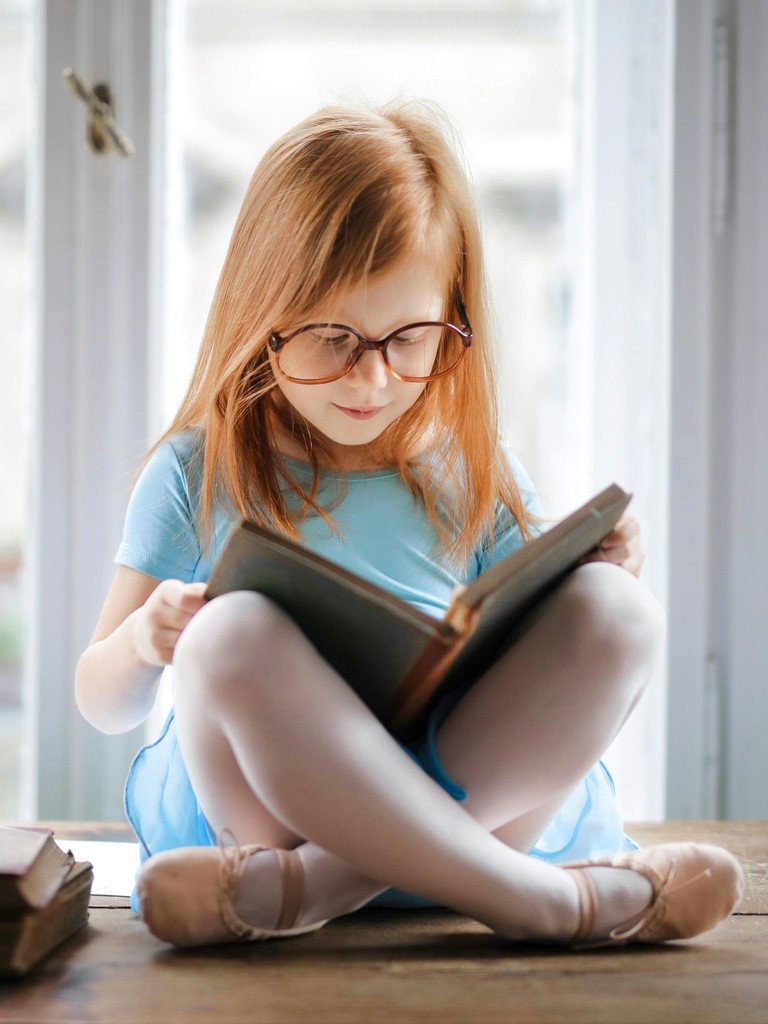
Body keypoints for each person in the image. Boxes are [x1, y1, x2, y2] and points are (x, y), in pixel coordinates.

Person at [75, 102, 742, 949]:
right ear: (260, 314)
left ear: (451, 320)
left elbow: (548, 636)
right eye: (330, 339)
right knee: (225, 635)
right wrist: (145, 640)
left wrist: (601, 566)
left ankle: (322, 887)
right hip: (271, 818)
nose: (374, 378)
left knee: (620, 611)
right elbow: (99, 701)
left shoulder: (469, 463)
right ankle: (543, 904)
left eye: (411, 338)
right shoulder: (198, 469)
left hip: (453, 812)